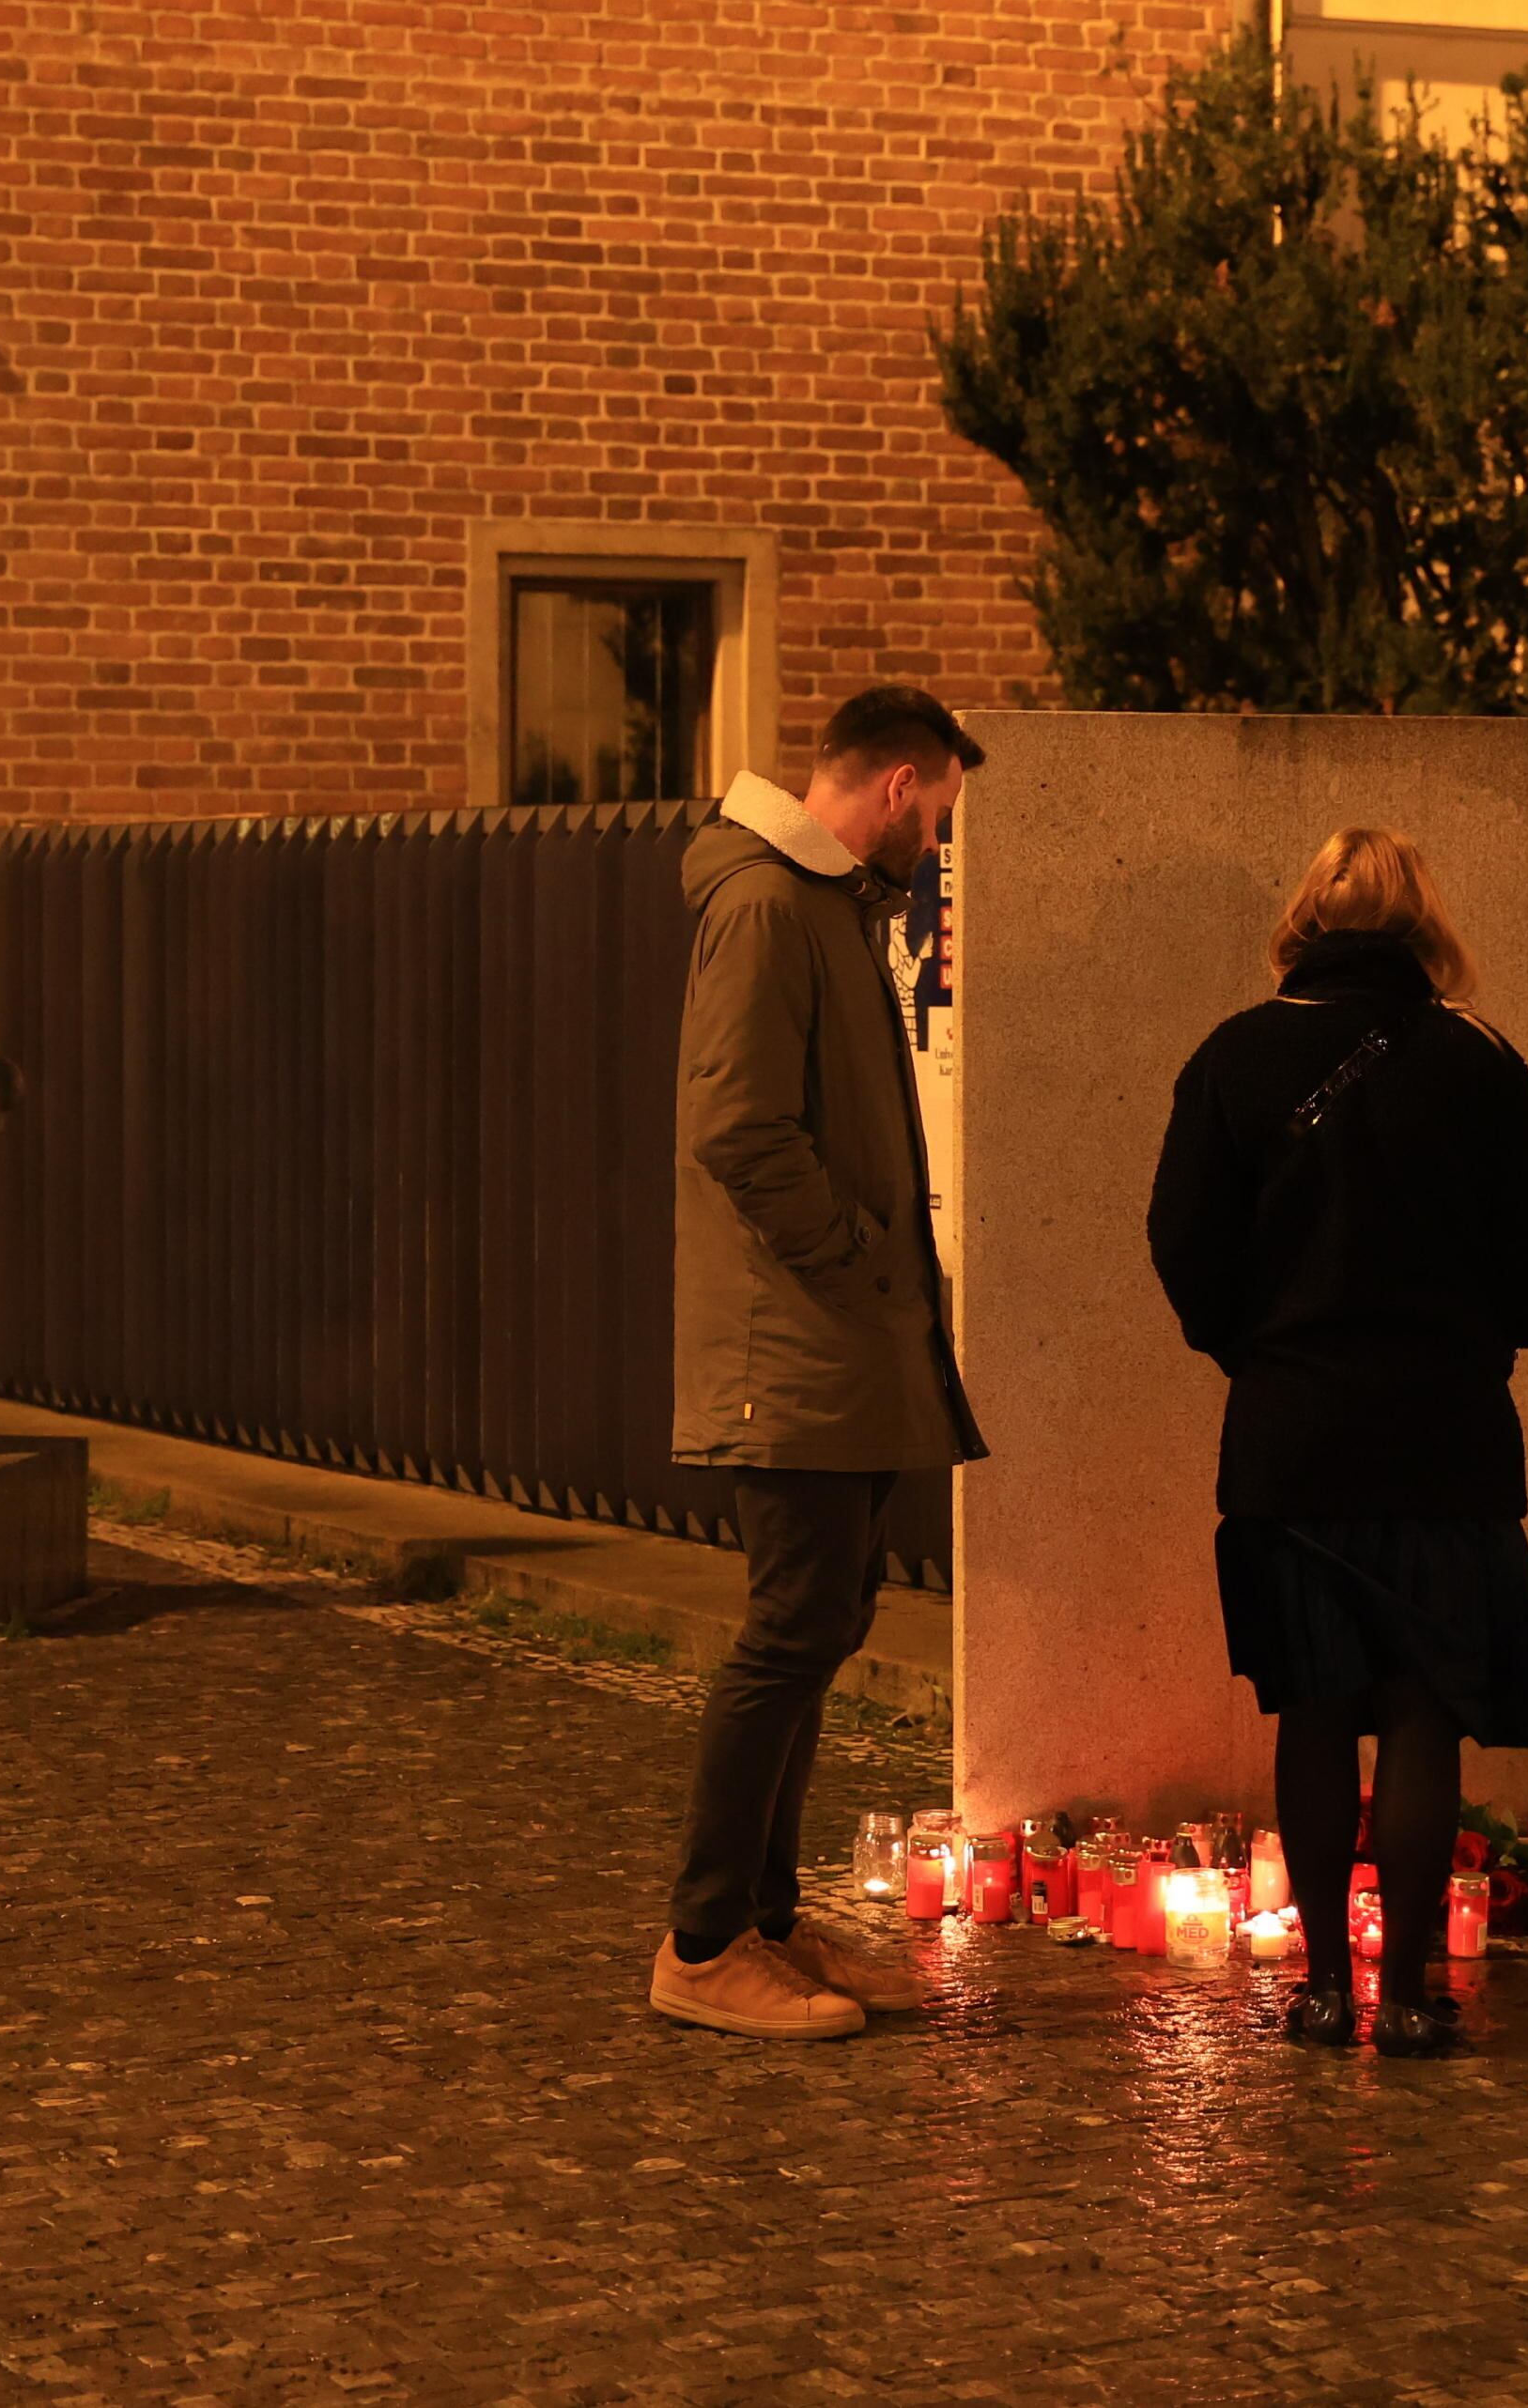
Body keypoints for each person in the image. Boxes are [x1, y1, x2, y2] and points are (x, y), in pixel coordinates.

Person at [1145, 827, 1528, 2059]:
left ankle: (1326, 1984)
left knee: (1318, 1714)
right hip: (1446, 1431)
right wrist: (1496, 1337)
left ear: (1304, 923)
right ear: (1423, 927)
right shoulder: (1482, 1063)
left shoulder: (1234, 1057)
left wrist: (1250, 1346)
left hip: (1292, 1436)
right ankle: (1412, 1994)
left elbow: (1184, 1238)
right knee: (1425, 1712)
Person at [648, 684, 992, 2041]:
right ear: (900, 786)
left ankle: (767, 1921)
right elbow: (740, 1125)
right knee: (791, 1626)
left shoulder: (822, 903)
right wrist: (856, 1252)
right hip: (788, 1338)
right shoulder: (773, 905)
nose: (939, 846)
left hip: (827, 1337)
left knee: (828, 1612)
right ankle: (702, 1938)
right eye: (944, 814)